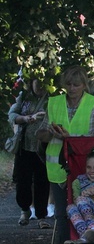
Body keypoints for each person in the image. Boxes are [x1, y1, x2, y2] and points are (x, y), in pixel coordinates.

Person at [37, 66, 94, 244]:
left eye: (77, 84)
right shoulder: (54, 102)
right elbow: (44, 133)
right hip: (57, 168)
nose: (72, 88)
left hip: (84, 168)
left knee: (85, 210)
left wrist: (68, 137)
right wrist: (47, 133)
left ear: (84, 85)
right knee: (62, 214)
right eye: (68, 84)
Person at [9, 78, 50, 228]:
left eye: (43, 83)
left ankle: (41, 216)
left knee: (42, 182)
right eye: (37, 82)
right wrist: (27, 118)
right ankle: (24, 210)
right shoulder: (24, 96)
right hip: (24, 146)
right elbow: (12, 115)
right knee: (23, 181)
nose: (40, 85)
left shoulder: (52, 98)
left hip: (43, 147)